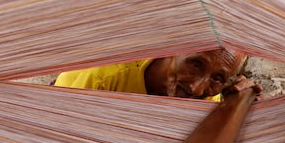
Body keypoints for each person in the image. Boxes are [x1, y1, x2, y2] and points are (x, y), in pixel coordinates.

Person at [54, 49, 261, 100]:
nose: (195, 88)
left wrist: (231, 109)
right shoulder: (99, 77)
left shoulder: (205, 96)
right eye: (195, 65)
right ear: (172, 48)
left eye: (218, 78)